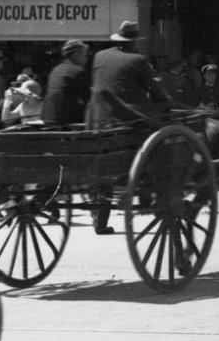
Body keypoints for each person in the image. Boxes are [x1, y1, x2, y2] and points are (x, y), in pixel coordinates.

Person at [87, 22, 170, 232]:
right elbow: (156, 92)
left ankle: (101, 221)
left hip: (98, 123)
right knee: (164, 140)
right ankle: (152, 190)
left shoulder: (100, 56)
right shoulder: (138, 60)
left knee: (107, 163)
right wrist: (165, 100)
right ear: (133, 42)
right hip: (128, 124)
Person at [43, 41, 92, 127]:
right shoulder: (78, 71)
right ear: (76, 55)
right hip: (66, 121)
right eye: (85, 55)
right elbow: (88, 97)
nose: (86, 59)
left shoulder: (56, 69)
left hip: (47, 117)